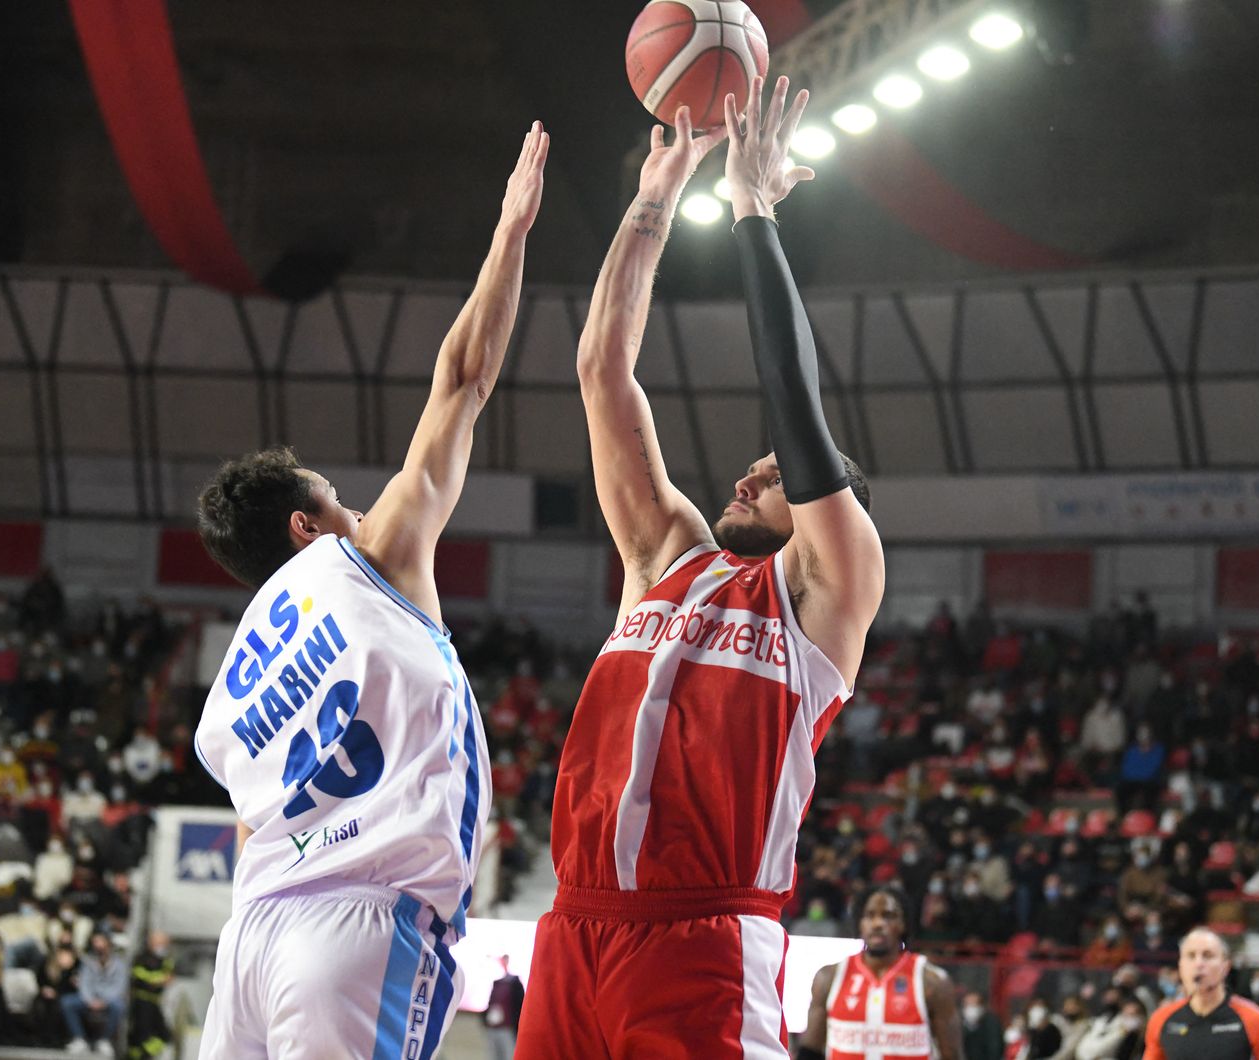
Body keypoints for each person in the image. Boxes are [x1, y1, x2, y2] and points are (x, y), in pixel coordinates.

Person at [514, 78, 884, 1058]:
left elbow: (797, 410)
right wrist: (660, 197)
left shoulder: (828, 590)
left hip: (706, 933)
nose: (749, 471)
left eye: (774, 477)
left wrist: (752, 207)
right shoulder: (666, 554)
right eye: (753, 467)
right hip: (574, 926)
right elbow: (602, 367)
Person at [191, 122, 548, 1060]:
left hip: (253, 936)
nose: (359, 506)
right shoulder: (367, 559)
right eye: (336, 499)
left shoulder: (245, 658)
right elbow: (463, 382)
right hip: (360, 920)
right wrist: (510, 235)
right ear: (306, 529)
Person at [799, 886, 962, 1060]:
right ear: (860, 923)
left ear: (903, 924)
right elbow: (810, 1050)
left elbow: (952, 1055)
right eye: (870, 915)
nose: (878, 923)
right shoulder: (829, 977)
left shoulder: (932, 982)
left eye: (888, 916)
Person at [1145, 927, 1259, 1060]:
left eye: (1207, 956)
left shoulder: (1254, 1019)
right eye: (1191, 956)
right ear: (1181, 966)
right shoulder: (1161, 1019)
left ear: (1225, 967)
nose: (1198, 963)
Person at [62, 931, 127, 1055]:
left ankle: (104, 1041)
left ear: (108, 944)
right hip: (90, 999)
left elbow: (119, 987)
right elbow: (84, 983)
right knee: (67, 1002)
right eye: (95, 943)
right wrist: (90, 1000)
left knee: (119, 1006)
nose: (98, 946)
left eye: (100, 942)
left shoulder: (119, 964)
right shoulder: (88, 962)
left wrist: (104, 1001)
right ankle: (79, 1038)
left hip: (108, 1000)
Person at [128, 931, 175, 1060]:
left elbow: (169, 975)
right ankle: (138, 1055)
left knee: (165, 1035)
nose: (162, 946)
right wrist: (157, 979)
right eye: (159, 943)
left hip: (155, 1001)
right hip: (142, 1001)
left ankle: (146, 1053)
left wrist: (161, 980)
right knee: (141, 1034)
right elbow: (139, 975)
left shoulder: (165, 960)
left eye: (164, 944)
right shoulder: (142, 957)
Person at [482, 955, 524, 1060]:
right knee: (495, 1055)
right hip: (493, 1027)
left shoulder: (515, 984)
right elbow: (490, 1003)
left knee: (509, 1055)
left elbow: (519, 1006)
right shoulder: (496, 983)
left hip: (508, 1028)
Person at [962, 991, 1004, 1060]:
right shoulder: (962, 1024)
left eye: (973, 1005)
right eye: (967, 1005)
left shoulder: (991, 1022)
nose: (970, 1008)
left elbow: (995, 1049)